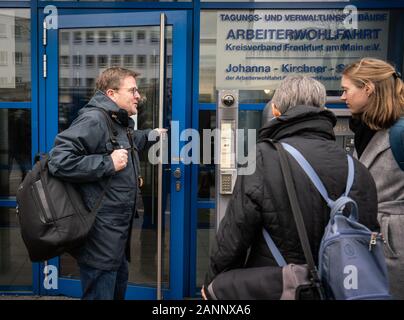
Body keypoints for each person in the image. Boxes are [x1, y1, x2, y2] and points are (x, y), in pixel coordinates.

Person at [202, 75, 379, 299]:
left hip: (279, 287)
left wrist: (213, 283)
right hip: (342, 289)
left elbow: (234, 234)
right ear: (323, 109)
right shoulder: (358, 169)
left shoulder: (263, 158)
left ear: (275, 111)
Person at [48, 67, 165, 300]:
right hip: (100, 235)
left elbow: (128, 142)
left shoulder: (117, 121)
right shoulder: (94, 119)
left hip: (115, 234)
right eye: (132, 90)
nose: (138, 96)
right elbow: (59, 161)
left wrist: (152, 134)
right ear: (111, 93)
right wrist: (107, 163)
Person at [340, 58, 404, 299]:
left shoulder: (399, 133)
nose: (343, 97)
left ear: (368, 88)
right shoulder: (367, 130)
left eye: (346, 90)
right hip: (372, 239)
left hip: (394, 244)